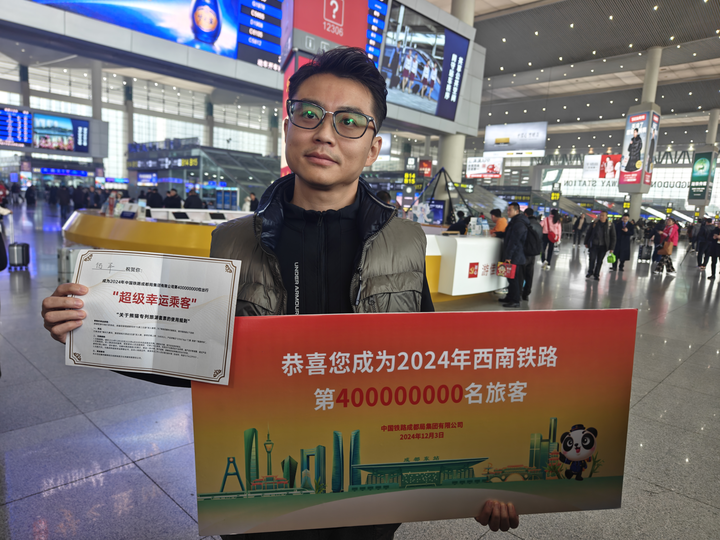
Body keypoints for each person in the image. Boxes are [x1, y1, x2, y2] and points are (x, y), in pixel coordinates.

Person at [40, 46, 518, 538]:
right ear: (287, 126)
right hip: (262, 496)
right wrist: (92, 326)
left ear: (374, 147)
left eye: (349, 121)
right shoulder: (232, 241)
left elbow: (433, 371)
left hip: (367, 501)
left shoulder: (405, 242)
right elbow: (198, 356)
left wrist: (478, 477)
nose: (325, 133)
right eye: (309, 113)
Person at [498, 202, 528, 308]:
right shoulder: (514, 221)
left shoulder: (519, 223)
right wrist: (498, 234)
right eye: (507, 210)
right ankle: (510, 297)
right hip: (514, 254)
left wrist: (508, 257)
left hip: (515, 255)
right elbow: (509, 235)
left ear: (517, 211)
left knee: (513, 278)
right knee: (510, 277)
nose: (508, 212)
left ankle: (515, 300)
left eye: (510, 210)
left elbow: (514, 242)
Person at [584, 211, 616, 280]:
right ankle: (590, 272)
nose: (601, 217)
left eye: (603, 215)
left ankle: (597, 274)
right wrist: (586, 242)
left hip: (603, 246)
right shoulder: (594, 223)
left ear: (606, 217)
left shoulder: (610, 225)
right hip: (594, 244)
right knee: (592, 259)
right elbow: (588, 233)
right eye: (600, 215)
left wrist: (612, 248)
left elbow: (613, 237)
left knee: (599, 260)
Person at [522, 207, 543, 301]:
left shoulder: (526, 224)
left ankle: (520, 291)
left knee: (522, 273)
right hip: (534, 252)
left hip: (525, 251)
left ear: (525, 214)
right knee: (529, 273)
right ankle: (526, 293)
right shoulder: (538, 224)